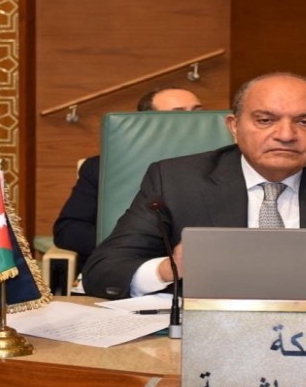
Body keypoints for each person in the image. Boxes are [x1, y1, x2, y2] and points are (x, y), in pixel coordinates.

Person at [82, 72, 306, 301]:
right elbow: (104, 270)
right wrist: (170, 269)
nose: (286, 135)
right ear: (234, 126)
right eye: (265, 120)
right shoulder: (177, 179)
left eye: (305, 122)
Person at [52, 87, 203, 268]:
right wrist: (134, 246)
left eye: (198, 112)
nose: (195, 121)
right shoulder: (103, 167)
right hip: (120, 268)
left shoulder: (224, 166)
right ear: (147, 123)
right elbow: (68, 231)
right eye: (179, 114)